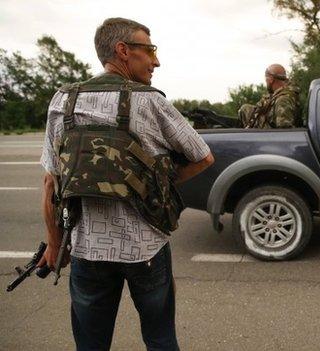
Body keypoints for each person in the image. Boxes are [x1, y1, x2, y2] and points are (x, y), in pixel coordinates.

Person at [37, 17, 214, 350]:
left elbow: (50, 181)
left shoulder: (64, 101)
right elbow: (203, 156)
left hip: (88, 249)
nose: (156, 61)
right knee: (161, 338)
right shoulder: (149, 101)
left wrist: (53, 242)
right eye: (150, 50)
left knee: (91, 344)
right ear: (123, 51)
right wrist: (154, 184)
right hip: (144, 247)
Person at [238, 63, 300, 128]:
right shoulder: (275, 95)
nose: (266, 81)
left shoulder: (283, 100)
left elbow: (284, 132)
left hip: (269, 136)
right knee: (245, 108)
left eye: (266, 78)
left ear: (271, 79)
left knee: (245, 109)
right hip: (269, 133)